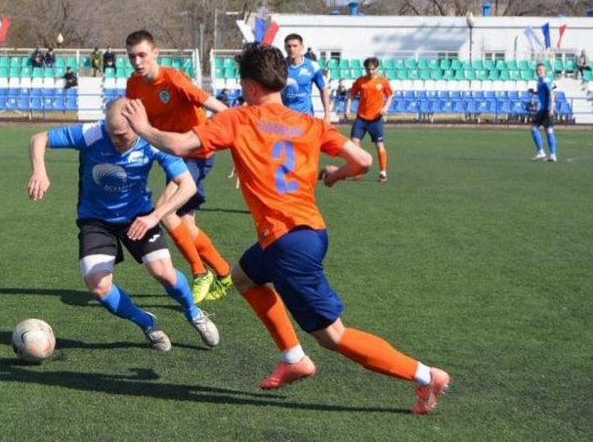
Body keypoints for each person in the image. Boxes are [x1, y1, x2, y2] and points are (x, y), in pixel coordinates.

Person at [122, 43, 451, 415]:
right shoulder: (309, 124)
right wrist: (336, 174)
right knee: (244, 276)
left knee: (334, 337)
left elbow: (181, 143)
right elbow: (361, 160)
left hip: (287, 244)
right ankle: (293, 356)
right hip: (306, 233)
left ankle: (426, 376)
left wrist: (143, 127)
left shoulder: (239, 119)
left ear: (249, 87)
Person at [27, 98, 219, 351]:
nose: (116, 140)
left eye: (122, 136)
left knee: (163, 272)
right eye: (112, 134)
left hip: (139, 217)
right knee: (99, 287)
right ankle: (147, 323)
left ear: (138, 127)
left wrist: (155, 216)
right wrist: (39, 169)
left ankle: (193, 312)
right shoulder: (92, 134)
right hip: (95, 220)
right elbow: (39, 138)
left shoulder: (153, 141)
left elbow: (188, 185)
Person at [124, 29, 233, 304]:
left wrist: (239, 135)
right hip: (172, 155)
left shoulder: (173, 79)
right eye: (131, 57)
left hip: (197, 151)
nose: (137, 62)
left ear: (155, 53)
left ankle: (200, 273)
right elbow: (134, 121)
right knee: (187, 226)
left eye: (142, 55)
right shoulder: (133, 85)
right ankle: (223, 272)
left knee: (166, 211)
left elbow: (210, 103)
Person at [346, 57, 393, 182]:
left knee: (379, 146)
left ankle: (383, 172)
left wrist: (385, 107)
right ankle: (359, 169)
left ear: (377, 68)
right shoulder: (360, 81)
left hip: (376, 119)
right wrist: (347, 108)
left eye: (373, 69)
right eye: (368, 69)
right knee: (354, 143)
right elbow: (351, 94)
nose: (371, 71)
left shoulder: (382, 81)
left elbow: (390, 95)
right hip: (361, 118)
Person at [281, 33, 330, 123]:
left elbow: (323, 89)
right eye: (289, 46)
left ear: (302, 47)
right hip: (284, 117)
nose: (292, 49)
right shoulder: (279, 66)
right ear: (285, 48)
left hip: (306, 117)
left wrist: (327, 115)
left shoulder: (312, 66)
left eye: (295, 46)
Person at [530, 63, 557, 162]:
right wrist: (534, 92)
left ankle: (548, 153)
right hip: (542, 109)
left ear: (544, 71)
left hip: (546, 109)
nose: (539, 71)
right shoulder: (539, 81)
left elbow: (552, 93)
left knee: (547, 131)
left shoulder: (546, 80)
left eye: (540, 70)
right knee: (535, 128)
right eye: (538, 70)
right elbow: (543, 93)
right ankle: (548, 153)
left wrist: (552, 108)